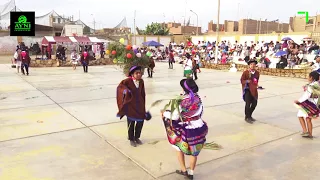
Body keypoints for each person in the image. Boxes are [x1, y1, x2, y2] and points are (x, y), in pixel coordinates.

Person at [161, 78, 208, 180]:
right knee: (194, 152)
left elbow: (174, 116)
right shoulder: (198, 98)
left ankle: (183, 170)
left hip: (186, 128)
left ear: (184, 89)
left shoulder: (182, 101)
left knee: (179, 147)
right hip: (199, 126)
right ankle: (191, 173)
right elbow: (201, 112)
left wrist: (164, 113)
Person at [116, 66, 148, 147]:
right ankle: (131, 138)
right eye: (136, 73)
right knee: (131, 122)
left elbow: (142, 93)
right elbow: (120, 87)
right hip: (131, 105)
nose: (138, 75)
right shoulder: (127, 81)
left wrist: (143, 104)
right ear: (132, 74)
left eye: (140, 73)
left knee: (140, 121)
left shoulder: (141, 81)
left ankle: (137, 137)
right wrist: (126, 91)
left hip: (140, 104)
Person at [294, 71, 320, 139]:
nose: (308, 78)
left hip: (308, 103)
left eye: (309, 76)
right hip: (315, 104)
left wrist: (298, 101)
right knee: (308, 119)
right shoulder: (317, 84)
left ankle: (305, 131)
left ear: (311, 77)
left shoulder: (311, 86)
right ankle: (310, 134)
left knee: (299, 116)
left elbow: (306, 95)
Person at [240, 59, 260, 124]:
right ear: (249, 65)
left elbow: (256, 81)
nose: (252, 65)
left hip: (254, 90)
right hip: (247, 90)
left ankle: (250, 115)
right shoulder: (246, 72)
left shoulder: (257, 73)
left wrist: (257, 85)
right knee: (248, 104)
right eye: (251, 64)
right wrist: (247, 81)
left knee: (254, 104)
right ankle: (247, 117)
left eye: (254, 64)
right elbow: (242, 80)